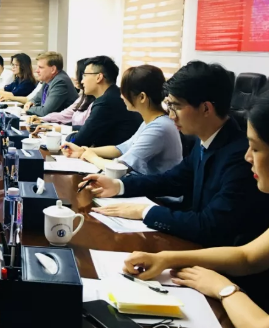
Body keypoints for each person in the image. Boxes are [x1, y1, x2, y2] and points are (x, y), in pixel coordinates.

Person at [122, 93, 269, 328]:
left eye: (255, 148)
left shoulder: (232, 155)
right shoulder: (204, 145)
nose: (247, 157)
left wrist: (223, 289)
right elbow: (248, 256)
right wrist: (166, 259)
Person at [79, 61, 269, 247]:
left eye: (176, 106)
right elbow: (172, 180)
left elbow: (210, 225)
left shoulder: (240, 157)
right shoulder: (205, 140)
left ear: (205, 108)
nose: (171, 115)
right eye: (169, 106)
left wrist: (145, 212)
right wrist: (119, 186)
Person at [63, 64, 182, 175]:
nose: (121, 96)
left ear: (142, 97)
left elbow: (120, 168)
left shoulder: (159, 127)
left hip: (155, 191)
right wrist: (83, 151)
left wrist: (92, 157)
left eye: (124, 92)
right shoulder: (152, 122)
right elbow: (121, 149)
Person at [63, 56, 142, 148]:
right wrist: (72, 130)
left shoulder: (106, 102)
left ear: (99, 77)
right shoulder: (114, 94)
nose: (82, 81)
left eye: (84, 75)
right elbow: (90, 128)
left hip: (117, 155)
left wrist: (68, 137)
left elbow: (78, 141)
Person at [29, 58, 94, 133]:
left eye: (83, 75)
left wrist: (30, 108)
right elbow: (64, 115)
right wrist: (42, 119)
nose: (75, 78)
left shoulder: (60, 81)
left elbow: (45, 111)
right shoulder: (84, 98)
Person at [24, 52, 78, 116]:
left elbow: (45, 112)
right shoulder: (48, 79)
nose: (36, 70)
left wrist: (29, 109)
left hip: (63, 122)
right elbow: (36, 98)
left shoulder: (60, 82)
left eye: (40, 67)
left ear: (53, 69)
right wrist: (30, 102)